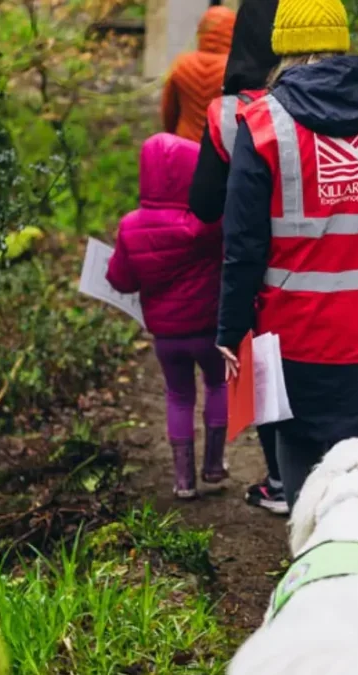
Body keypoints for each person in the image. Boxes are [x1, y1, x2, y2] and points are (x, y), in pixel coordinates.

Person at [213, 0, 358, 510]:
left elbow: (243, 245)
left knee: (305, 477)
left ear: (282, 49)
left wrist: (230, 330)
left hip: (298, 339)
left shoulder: (262, 123)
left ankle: (317, 551)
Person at [189, 0, 288, 515]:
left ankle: (281, 479)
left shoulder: (230, 113)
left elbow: (204, 204)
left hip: (262, 277)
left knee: (268, 371)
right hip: (342, 270)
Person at [107, 133, 227, 500]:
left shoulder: (130, 226)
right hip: (208, 329)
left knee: (178, 396)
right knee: (217, 385)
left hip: (167, 338)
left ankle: (183, 480)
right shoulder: (209, 223)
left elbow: (121, 280)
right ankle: (214, 465)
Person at [161, 6, 235, 142]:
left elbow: (169, 111)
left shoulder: (181, 65)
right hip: (219, 147)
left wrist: (173, 137)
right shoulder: (234, 70)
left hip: (184, 143)